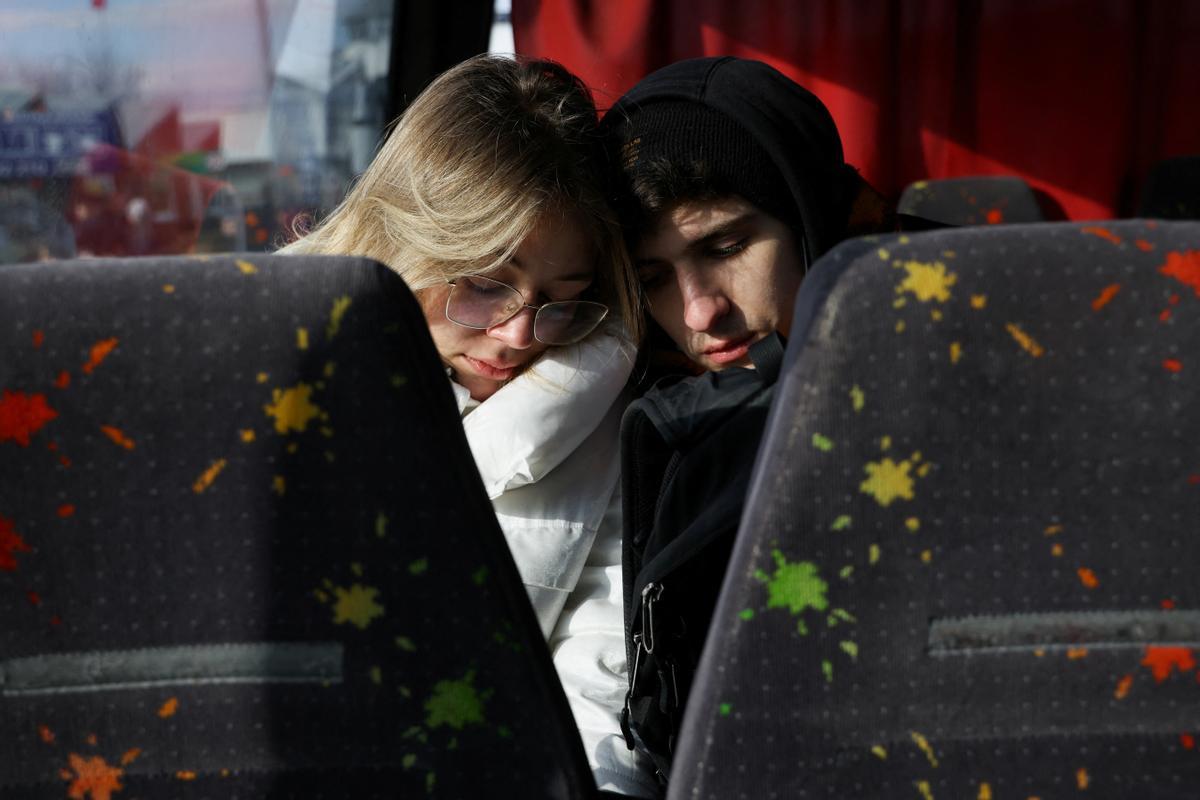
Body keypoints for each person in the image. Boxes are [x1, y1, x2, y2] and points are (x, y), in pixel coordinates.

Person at [282, 55, 658, 798]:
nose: (520, 336)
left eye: (560, 299)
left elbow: (597, 687)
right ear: (405, 240)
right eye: (485, 285)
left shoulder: (611, 422)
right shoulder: (279, 380)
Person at [600, 56, 895, 784]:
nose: (699, 311)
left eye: (727, 246)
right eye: (653, 279)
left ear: (808, 215)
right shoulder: (637, 407)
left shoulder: (956, 344)